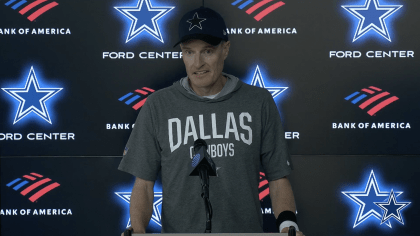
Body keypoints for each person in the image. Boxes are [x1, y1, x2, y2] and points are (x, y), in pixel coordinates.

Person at [119, 6, 305, 236]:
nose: (197, 63)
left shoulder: (259, 102)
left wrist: (289, 226)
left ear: (225, 49)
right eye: (189, 52)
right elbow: (144, 184)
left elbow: (277, 177)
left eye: (207, 51)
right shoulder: (158, 105)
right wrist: (136, 229)